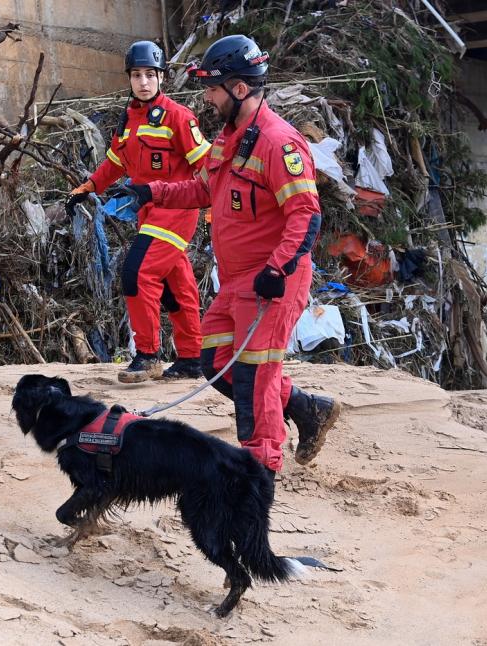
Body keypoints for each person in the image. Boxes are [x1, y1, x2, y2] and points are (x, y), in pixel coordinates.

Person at [109, 35, 341, 475]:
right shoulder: (231, 138)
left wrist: (277, 269)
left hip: (272, 280)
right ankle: (308, 409)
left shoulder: (279, 142)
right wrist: (150, 189)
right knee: (216, 361)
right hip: (237, 281)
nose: (207, 99)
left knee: (254, 375)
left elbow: (305, 215)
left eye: (213, 90)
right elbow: (204, 189)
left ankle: (259, 468)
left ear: (238, 89)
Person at [66, 41, 211, 384]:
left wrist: (214, 208)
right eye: (136, 75)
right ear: (129, 79)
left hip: (176, 211)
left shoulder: (178, 117)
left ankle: (148, 356)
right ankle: (192, 358)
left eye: (150, 75)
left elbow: (207, 166)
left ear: (161, 77)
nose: (143, 82)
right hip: (149, 214)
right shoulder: (129, 119)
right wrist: (87, 188)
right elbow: (116, 163)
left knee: (136, 273)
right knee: (177, 286)